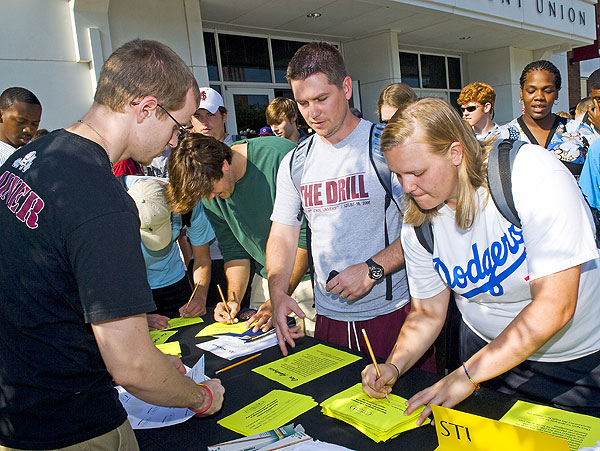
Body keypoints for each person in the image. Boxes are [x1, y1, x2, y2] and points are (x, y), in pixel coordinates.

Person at [0, 39, 224, 450]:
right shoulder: (103, 200)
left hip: (19, 409)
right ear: (145, 108)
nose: (177, 141)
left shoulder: (30, 157)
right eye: (179, 126)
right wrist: (200, 396)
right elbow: (133, 367)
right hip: (73, 423)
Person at [361, 97, 600, 423]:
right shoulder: (418, 223)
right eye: (398, 175)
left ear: (455, 153)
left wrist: (466, 375)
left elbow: (555, 305)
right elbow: (428, 313)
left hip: (577, 364)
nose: (408, 187)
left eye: (417, 172)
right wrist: (394, 364)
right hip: (488, 361)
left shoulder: (530, 173)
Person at [266, 42, 434, 366]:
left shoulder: (387, 148)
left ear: (345, 88)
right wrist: (277, 292)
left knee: (406, 413)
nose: (312, 112)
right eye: (302, 103)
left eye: (321, 99)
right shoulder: (294, 162)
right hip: (329, 319)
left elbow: (427, 225)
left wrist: (373, 268)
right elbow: (283, 236)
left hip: (392, 315)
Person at [167, 133, 316, 334]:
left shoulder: (279, 157)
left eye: (210, 189)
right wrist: (233, 300)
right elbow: (234, 251)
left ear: (224, 165)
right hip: (264, 280)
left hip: (312, 281)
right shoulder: (210, 190)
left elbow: (306, 239)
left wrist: (279, 295)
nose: (210, 197)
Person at [126, 177, 214, 330]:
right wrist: (137, 317)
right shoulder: (111, 205)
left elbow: (202, 259)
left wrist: (199, 297)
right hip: (132, 291)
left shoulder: (188, 203)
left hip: (175, 285)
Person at [499, 60, 595, 178]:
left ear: (557, 93)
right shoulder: (502, 137)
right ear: (521, 92)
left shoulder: (580, 132)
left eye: (547, 91)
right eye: (531, 91)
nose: (539, 97)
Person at [0, 87, 42, 165]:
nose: (28, 130)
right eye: (21, 122)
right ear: (1, 116)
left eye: (35, 124)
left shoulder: (43, 155)